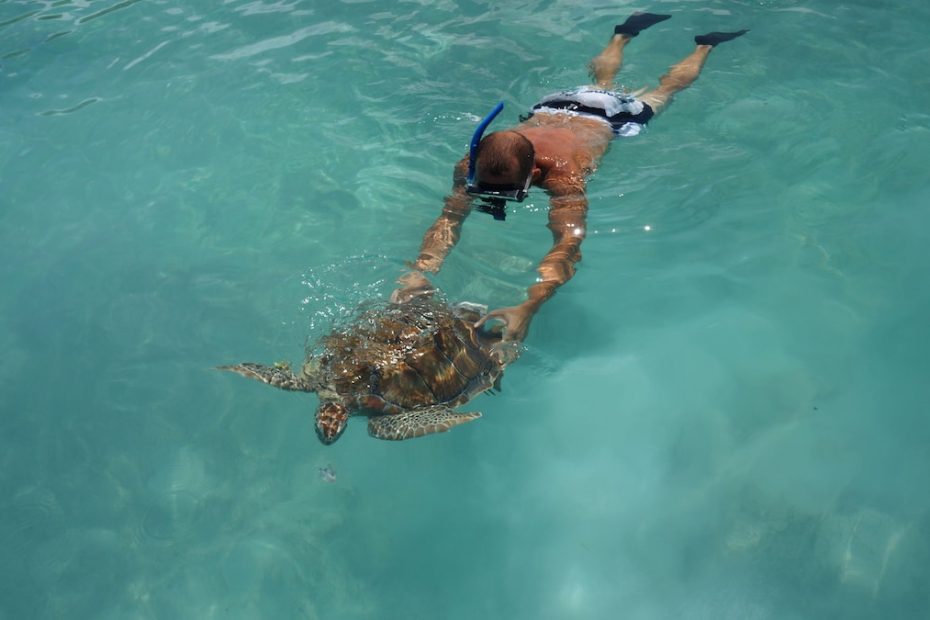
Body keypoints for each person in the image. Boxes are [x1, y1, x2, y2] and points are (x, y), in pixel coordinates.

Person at [394, 13, 747, 343]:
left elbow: (567, 245)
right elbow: (449, 218)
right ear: (475, 163)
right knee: (605, 82)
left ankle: (703, 43)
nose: (492, 197)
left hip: (597, 115)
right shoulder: (473, 164)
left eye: (510, 193)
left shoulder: (563, 175)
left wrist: (528, 306)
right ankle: (624, 35)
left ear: (535, 173)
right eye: (485, 189)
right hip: (556, 107)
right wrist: (419, 272)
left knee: (664, 91)